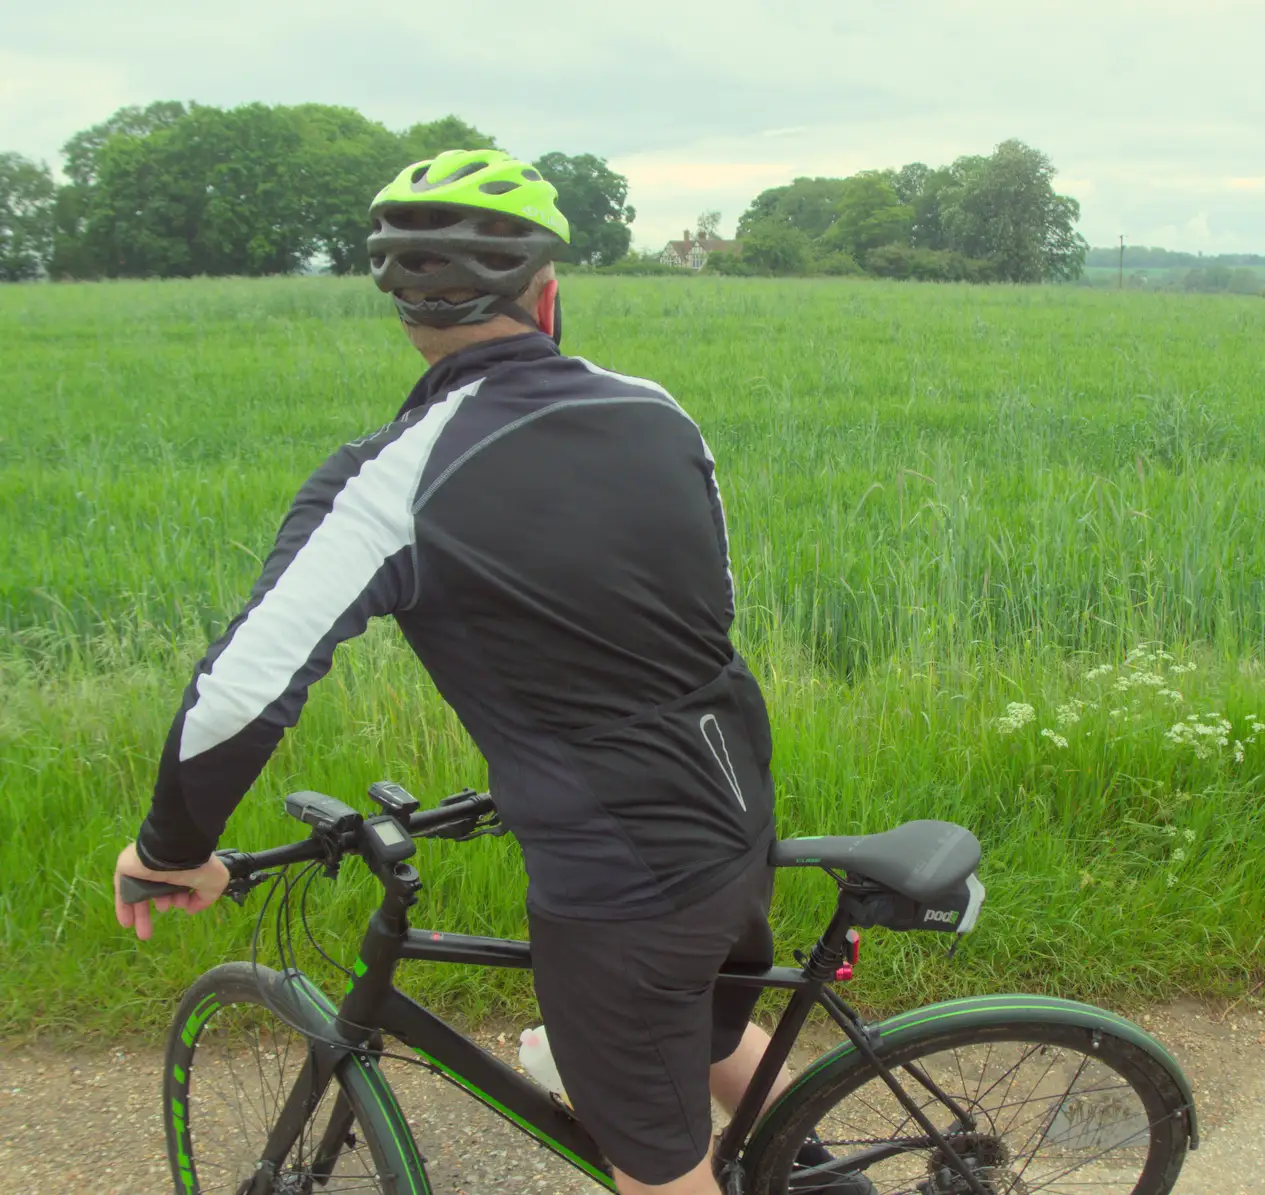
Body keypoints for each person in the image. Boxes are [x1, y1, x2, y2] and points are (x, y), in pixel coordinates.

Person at [110, 149, 817, 1195]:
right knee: (704, 1033)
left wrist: (172, 847)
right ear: (547, 295)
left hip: (619, 875)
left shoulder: (389, 477)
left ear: (403, 310)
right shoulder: (657, 410)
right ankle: (825, 1168)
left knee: (657, 1167)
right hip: (734, 808)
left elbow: (244, 690)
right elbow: (702, 608)